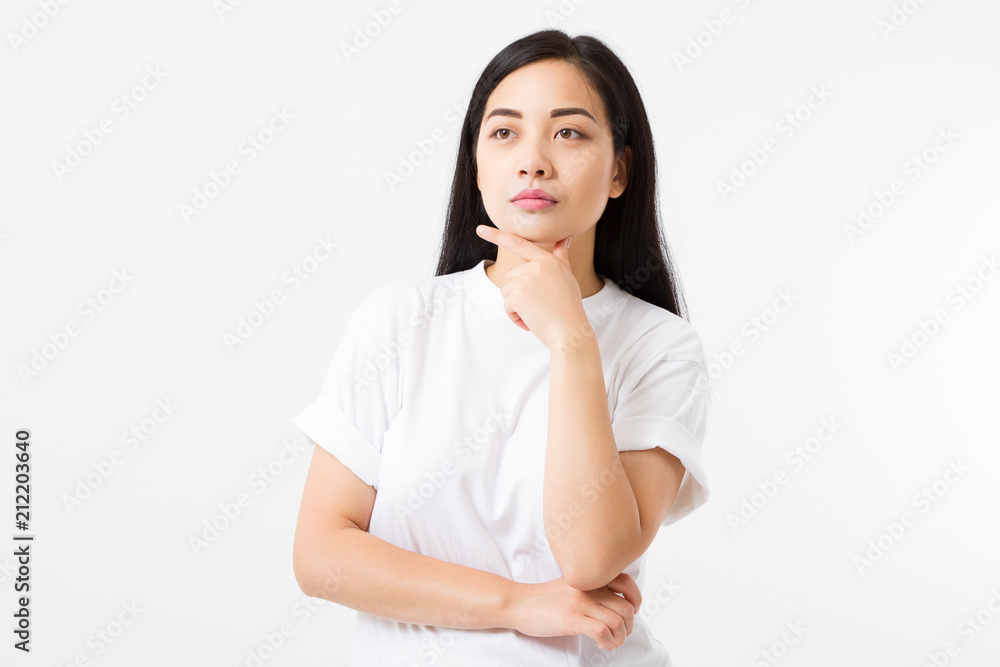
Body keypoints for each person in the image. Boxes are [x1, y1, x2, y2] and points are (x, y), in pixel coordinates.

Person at [291, 28, 714, 666]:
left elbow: (591, 555)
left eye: (569, 132)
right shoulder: (400, 321)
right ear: (477, 164)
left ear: (620, 169)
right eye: (505, 132)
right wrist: (517, 604)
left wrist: (571, 338)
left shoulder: (661, 347)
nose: (534, 160)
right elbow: (322, 557)